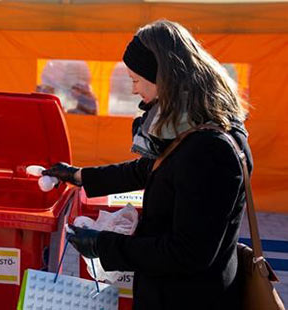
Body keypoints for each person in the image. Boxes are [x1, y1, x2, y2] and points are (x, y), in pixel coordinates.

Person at [43, 20, 251, 310]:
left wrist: (104, 246)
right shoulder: (193, 129)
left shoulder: (210, 149)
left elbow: (188, 253)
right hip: (177, 291)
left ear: (164, 78)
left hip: (190, 299)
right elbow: (150, 169)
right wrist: (78, 175)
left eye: (136, 79)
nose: (132, 89)